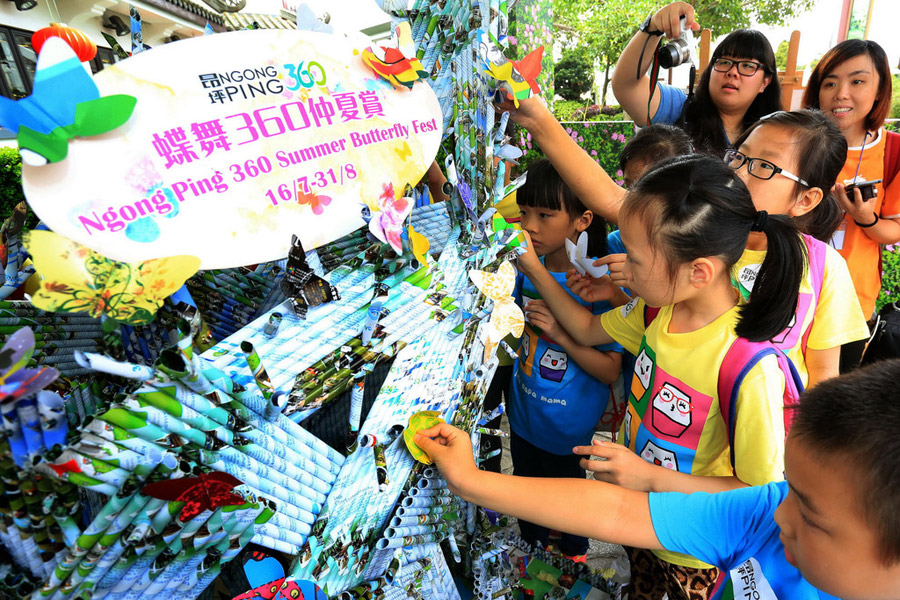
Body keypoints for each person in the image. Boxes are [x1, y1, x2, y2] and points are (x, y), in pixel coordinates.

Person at [518, 154, 806, 600]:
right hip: (645, 523)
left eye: (632, 258)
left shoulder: (748, 365)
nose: (620, 268)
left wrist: (647, 476)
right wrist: (535, 268)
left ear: (699, 271)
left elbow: (756, 494)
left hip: (697, 553)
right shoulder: (659, 309)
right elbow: (587, 329)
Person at [416, 359, 900, 600]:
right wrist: (469, 481)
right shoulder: (769, 514)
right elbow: (618, 510)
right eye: (790, 489)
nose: (780, 513)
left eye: (810, 515)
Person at [575, 111, 869, 390]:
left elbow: (823, 372)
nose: (738, 174)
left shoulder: (824, 266)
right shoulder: (700, 239)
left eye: (765, 166)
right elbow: (657, 318)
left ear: (806, 199)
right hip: (679, 421)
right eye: (739, 157)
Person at [508, 159, 623, 561]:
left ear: (582, 220)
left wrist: (561, 335)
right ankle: (533, 562)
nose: (530, 227)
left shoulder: (594, 285)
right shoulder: (522, 269)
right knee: (527, 503)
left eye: (545, 214)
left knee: (567, 515)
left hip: (567, 431)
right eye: (524, 214)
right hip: (522, 416)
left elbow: (610, 369)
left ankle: (570, 568)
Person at [801, 39, 900, 371]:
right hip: (792, 293)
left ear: (879, 90)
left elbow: (893, 231)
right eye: (830, 82)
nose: (840, 93)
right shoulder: (796, 142)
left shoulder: (893, 152)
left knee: (828, 403)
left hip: (851, 305)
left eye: (857, 81)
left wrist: (865, 218)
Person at [611, 2, 782, 157]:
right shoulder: (681, 109)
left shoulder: (776, 137)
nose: (732, 72)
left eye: (747, 66)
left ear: (764, 82)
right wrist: (653, 27)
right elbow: (627, 87)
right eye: (724, 62)